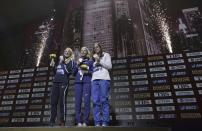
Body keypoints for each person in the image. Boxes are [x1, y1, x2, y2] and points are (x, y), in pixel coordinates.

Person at [49, 47, 76, 126]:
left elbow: (68, 72)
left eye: (68, 51)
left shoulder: (71, 62)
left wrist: (63, 62)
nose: (66, 52)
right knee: (53, 102)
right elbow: (56, 72)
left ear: (70, 54)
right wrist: (53, 66)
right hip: (55, 82)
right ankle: (52, 120)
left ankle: (62, 121)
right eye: (65, 51)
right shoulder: (59, 61)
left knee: (62, 102)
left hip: (63, 83)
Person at [91, 42, 112, 127]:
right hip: (94, 80)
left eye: (97, 47)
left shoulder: (106, 55)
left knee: (104, 100)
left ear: (100, 47)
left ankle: (105, 122)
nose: (96, 48)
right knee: (95, 101)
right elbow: (92, 70)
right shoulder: (92, 59)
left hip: (104, 79)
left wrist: (100, 61)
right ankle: (97, 122)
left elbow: (109, 67)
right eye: (94, 47)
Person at [74, 47, 93, 127]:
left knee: (86, 101)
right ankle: (78, 121)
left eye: (85, 50)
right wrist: (77, 64)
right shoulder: (77, 61)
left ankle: (85, 121)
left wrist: (86, 70)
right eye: (81, 50)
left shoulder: (90, 61)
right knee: (78, 102)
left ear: (87, 52)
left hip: (87, 82)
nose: (83, 51)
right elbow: (73, 72)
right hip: (78, 82)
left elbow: (93, 71)